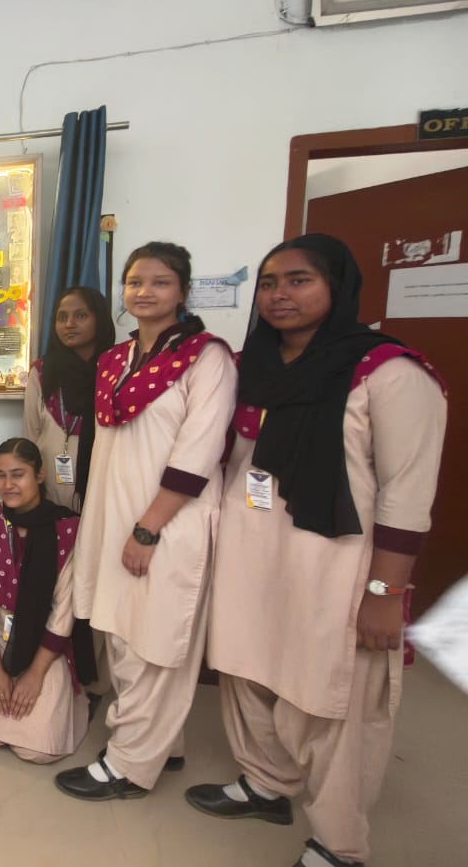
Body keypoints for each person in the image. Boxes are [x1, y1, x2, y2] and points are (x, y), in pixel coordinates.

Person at [186, 235, 447, 867]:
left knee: (330, 699)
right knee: (247, 670)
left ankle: (339, 842)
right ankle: (266, 783)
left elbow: (407, 494)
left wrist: (384, 593)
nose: (280, 294)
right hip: (252, 556)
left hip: (334, 566)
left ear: (337, 286)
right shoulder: (252, 368)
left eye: (299, 280)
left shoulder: (387, 372)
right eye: (269, 282)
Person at [56, 242, 237, 801]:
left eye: (160, 282)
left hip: (166, 522)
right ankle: (163, 745)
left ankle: (128, 766)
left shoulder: (207, 358)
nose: (144, 292)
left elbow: (199, 452)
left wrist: (149, 527)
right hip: (113, 516)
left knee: (153, 639)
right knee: (118, 629)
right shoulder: (116, 359)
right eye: (135, 282)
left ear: (182, 291)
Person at [0, 438, 91, 763]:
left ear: (40, 474)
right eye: (0, 475)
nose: (8, 485)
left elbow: (64, 611)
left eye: (18, 475)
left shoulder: (67, 529)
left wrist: (35, 674)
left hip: (43, 639)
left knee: (37, 751)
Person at [23, 286, 117, 511]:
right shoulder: (43, 372)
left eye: (81, 316)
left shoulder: (116, 369)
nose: (69, 324)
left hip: (106, 491)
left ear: (100, 319)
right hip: (50, 494)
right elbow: (30, 436)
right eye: (62, 317)